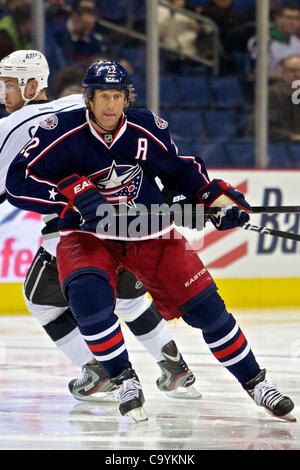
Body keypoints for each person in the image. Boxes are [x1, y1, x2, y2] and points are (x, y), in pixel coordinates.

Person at [5, 59, 296, 423]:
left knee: (210, 311)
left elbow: (183, 172)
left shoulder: (146, 127)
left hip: (150, 234)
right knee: (88, 300)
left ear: (126, 98)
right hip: (88, 236)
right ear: (88, 98)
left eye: (117, 96)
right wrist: (72, 193)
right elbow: (18, 181)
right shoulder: (60, 131)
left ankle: (257, 384)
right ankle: (124, 378)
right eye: (102, 96)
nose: (111, 105)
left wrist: (217, 200)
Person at [0, 50, 201, 407]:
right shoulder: (77, 106)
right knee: (129, 297)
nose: (4, 95)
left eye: (9, 85)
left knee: (39, 299)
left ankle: (98, 371)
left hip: (76, 231)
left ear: (32, 85)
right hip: (128, 227)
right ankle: (174, 364)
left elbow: (14, 188)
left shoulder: (8, 127)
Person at [246, 54, 300, 142]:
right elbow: (263, 127)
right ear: (283, 73)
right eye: (292, 71)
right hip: (276, 146)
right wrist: (292, 137)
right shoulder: (272, 94)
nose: (297, 75)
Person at [248, 3, 300, 80]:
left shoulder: (296, 41)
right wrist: (288, 75)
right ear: (277, 19)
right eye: (288, 17)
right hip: (269, 87)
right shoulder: (259, 41)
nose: (292, 22)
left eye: (296, 18)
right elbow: (257, 73)